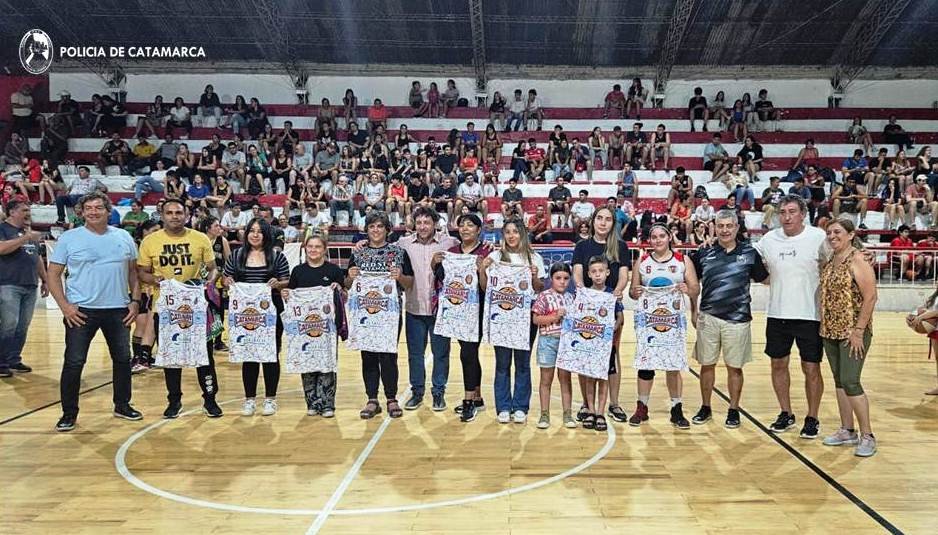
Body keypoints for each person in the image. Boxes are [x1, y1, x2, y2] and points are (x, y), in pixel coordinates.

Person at [45, 192, 142, 431]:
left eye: (99, 207)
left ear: (108, 211)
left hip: (118, 309)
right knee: (74, 362)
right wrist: (65, 307)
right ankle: (69, 413)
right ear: (81, 212)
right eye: (88, 208)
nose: (94, 211)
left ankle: (122, 404)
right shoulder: (69, 238)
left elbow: (133, 273)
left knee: (122, 359)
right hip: (81, 311)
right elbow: (53, 275)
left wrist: (135, 301)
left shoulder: (123, 236)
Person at [137, 199, 222, 419]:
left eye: (178, 212)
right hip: (166, 310)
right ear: (162, 215)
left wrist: (208, 284)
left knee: (205, 356)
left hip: (196, 310)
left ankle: (210, 399)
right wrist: (155, 279)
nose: (174, 216)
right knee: (171, 356)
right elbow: (142, 272)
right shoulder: (150, 242)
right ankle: (174, 400)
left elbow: (213, 269)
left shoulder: (200, 238)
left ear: (186, 215)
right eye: (170, 212)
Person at [753, 195, 827, 438]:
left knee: (811, 368)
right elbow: (749, 260)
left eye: (792, 211)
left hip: (810, 314)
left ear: (803, 214)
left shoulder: (819, 237)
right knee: (778, 364)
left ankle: (812, 417)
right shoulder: (769, 239)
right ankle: (786, 412)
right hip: (777, 314)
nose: (786, 216)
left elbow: (848, 252)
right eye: (782, 212)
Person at [690, 210, 768, 428]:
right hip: (708, 317)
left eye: (729, 226)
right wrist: (693, 311)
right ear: (714, 227)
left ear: (736, 228)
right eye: (720, 226)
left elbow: (767, 278)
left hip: (738, 319)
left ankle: (733, 409)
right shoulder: (704, 252)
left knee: (735, 367)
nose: (725, 230)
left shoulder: (750, 253)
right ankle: (705, 407)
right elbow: (693, 285)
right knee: (707, 365)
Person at [628, 224, 699, 429]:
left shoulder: (682, 260)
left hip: (672, 320)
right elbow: (633, 291)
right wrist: (636, 292)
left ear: (669, 237)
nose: (658, 240)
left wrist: (688, 288)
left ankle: (676, 408)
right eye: (654, 237)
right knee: (646, 363)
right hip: (649, 319)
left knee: (673, 363)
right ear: (649, 240)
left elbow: (695, 289)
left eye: (662, 236)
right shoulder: (642, 261)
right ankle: (642, 406)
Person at [818, 218, 878, 457]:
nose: (832, 236)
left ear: (851, 234)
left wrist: (859, 331)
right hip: (830, 330)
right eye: (829, 233)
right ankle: (847, 429)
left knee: (851, 381)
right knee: (840, 381)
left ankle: (868, 435)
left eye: (838, 232)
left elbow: (871, 297)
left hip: (853, 332)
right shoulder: (832, 259)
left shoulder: (859, 259)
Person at [346, 211, 414, 419]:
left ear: (387, 230)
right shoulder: (358, 253)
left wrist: (399, 276)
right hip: (364, 311)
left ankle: (391, 398)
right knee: (367, 355)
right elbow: (348, 284)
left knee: (388, 355)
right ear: (366, 230)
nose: (376, 230)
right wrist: (349, 276)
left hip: (390, 312)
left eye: (380, 227)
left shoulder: (399, 252)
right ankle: (372, 399)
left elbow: (410, 283)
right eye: (372, 227)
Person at [223, 218, 291, 416]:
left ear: (266, 234)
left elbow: (287, 281)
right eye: (251, 230)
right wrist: (227, 281)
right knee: (248, 354)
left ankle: (270, 399)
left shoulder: (277, 257)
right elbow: (225, 278)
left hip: (271, 312)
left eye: (259, 231)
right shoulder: (236, 255)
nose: (255, 234)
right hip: (245, 314)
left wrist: (278, 284)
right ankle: (249, 399)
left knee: (271, 354)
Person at [481, 218, 546, 424]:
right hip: (501, 316)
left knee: (522, 363)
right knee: (502, 364)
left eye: (515, 232)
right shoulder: (494, 256)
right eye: (507, 232)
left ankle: (520, 406)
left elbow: (538, 288)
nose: (511, 236)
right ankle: (503, 406)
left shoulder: (534, 258)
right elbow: (484, 287)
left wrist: (535, 276)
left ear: (522, 234)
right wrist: (482, 269)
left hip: (525, 316)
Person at [571, 206, 632, 422]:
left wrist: (615, 294)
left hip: (610, 308)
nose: (603, 223)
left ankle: (613, 403)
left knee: (612, 356)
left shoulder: (621, 247)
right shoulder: (582, 246)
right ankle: (587, 405)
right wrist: (585, 295)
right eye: (599, 218)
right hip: (587, 309)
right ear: (593, 220)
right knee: (585, 354)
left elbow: (624, 276)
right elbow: (577, 275)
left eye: (608, 219)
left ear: (613, 223)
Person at [397, 207, 459, 411]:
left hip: (441, 310)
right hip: (414, 309)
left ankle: (438, 392)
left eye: (427, 222)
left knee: (441, 353)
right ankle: (417, 392)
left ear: (435, 224)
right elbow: (381, 249)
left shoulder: (449, 243)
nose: (423, 226)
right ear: (414, 224)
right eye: (419, 222)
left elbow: (469, 249)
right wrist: (361, 243)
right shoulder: (403, 244)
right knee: (415, 354)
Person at [433, 213, 492, 422]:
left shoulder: (486, 252)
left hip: (477, 312)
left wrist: (482, 268)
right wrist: (435, 264)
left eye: (470, 225)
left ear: (478, 230)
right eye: (462, 225)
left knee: (468, 353)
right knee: (468, 354)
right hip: (456, 312)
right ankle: (477, 398)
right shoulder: (452, 252)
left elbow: (489, 286)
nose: (465, 229)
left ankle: (468, 401)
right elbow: (443, 279)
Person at [283, 234, 345, 416]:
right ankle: (312, 402)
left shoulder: (334, 270)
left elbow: (344, 295)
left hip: (327, 327)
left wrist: (339, 289)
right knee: (307, 363)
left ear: (324, 249)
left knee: (327, 363)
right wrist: (287, 295)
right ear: (305, 248)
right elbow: (293, 299)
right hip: (305, 327)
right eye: (310, 246)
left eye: (318, 247)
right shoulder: (298, 271)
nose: (313, 250)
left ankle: (327, 404)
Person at [0, 199, 48, 377]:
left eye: (29, 210)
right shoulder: (3, 229)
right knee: (8, 325)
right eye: (24, 210)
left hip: (30, 284)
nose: (28, 213)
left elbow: (35, 258)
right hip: (8, 283)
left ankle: (13, 359)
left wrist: (45, 280)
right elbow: (2, 249)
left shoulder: (27, 232)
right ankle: (1, 362)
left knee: (22, 326)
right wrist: (26, 238)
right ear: (12, 212)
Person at [532, 263, 575, 430]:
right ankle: (544, 413)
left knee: (565, 379)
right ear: (552, 279)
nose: (562, 282)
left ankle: (567, 413)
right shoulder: (543, 296)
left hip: (566, 343)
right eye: (558, 278)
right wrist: (554, 316)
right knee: (546, 379)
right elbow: (536, 319)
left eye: (565, 278)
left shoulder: (572, 297)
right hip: (548, 340)